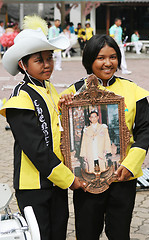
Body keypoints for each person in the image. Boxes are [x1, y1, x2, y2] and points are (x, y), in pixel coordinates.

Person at [62, 34, 149, 240]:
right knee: (87, 232)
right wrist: (62, 105)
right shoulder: (74, 92)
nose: (107, 63)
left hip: (122, 177)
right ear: (89, 60)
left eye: (113, 57)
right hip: (86, 180)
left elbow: (147, 127)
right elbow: (63, 132)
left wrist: (130, 164)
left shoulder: (131, 89)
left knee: (120, 233)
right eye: (100, 57)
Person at [0, 15, 85, 240]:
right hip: (34, 186)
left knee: (58, 233)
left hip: (56, 182)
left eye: (49, 58)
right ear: (23, 64)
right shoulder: (20, 98)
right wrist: (69, 179)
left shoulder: (47, 88)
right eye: (39, 60)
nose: (47, 65)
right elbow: (37, 150)